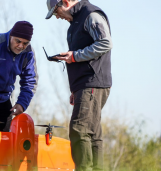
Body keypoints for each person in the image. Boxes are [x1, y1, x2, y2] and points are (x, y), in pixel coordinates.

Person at [45, 0, 113, 170]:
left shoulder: (91, 15)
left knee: (79, 130)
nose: (57, 16)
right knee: (92, 133)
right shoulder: (76, 21)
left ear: (66, 2)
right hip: (85, 85)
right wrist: (75, 89)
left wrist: (74, 56)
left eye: (56, 11)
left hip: (92, 82)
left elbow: (105, 42)